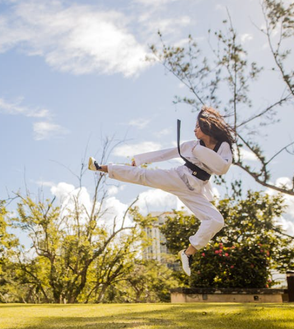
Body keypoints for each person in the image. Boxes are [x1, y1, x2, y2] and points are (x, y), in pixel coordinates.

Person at [88, 106, 234, 276]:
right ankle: (101, 167)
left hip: (195, 189)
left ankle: (188, 253)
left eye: (197, 126)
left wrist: (199, 151)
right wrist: (141, 158)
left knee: (216, 220)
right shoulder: (191, 145)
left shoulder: (222, 146)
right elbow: (166, 154)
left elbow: (222, 168)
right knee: (143, 176)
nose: (194, 130)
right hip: (179, 178)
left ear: (207, 126)